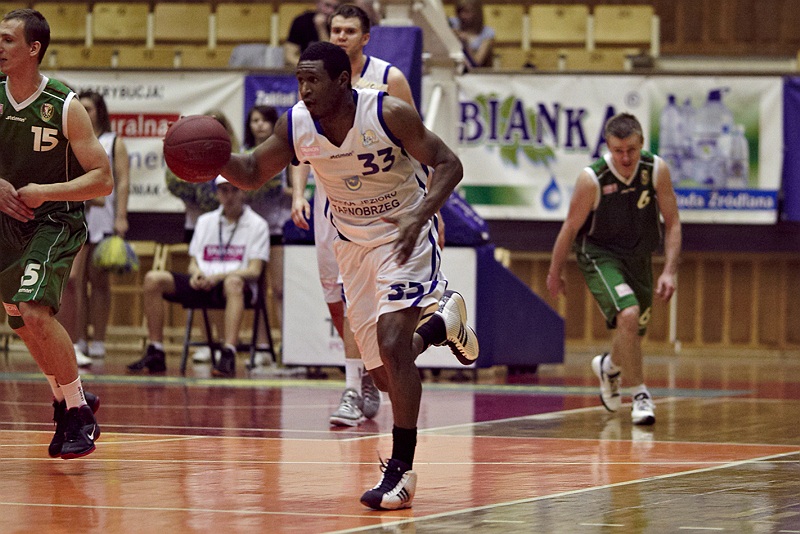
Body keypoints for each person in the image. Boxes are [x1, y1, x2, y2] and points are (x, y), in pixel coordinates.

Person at [220, 41, 479, 510]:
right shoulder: (296, 124)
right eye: (300, 80)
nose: (304, 89)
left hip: (403, 234)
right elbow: (253, 171)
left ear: (343, 81)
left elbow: (449, 164)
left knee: (393, 343)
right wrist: (212, 154)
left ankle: (401, 472)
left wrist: (420, 214)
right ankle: (441, 325)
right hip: (352, 246)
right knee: (383, 375)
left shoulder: (388, 113)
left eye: (313, 80)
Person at [291, 3, 419, 427]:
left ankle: (352, 386)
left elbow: (416, 144)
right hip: (331, 201)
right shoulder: (316, 81)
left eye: (349, 31)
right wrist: (298, 193)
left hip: (383, 203)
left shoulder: (389, 79)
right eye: (335, 30)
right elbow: (301, 142)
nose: (341, 36)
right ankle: (361, 368)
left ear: (365, 37)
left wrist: (426, 210)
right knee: (337, 298)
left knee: (365, 298)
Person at [0, 8, 112, 458]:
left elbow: (103, 179)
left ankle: (79, 411)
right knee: (20, 320)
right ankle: (65, 399)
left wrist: (43, 192)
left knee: (34, 309)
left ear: (34, 49)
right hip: (7, 224)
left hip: (55, 221)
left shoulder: (64, 105)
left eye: (8, 39)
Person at [546, 112, 682, 426]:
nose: (625, 158)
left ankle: (609, 367)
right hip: (599, 254)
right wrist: (555, 271)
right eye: (618, 151)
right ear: (608, 147)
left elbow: (673, 223)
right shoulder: (592, 179)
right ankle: (640, 395)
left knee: (631, 331)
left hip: (639, 256)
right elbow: (569, 228)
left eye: (631, 150)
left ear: (642, 143)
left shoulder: (656, 170)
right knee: (629, 314)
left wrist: (669, 270)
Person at [127, 176, 269, 378]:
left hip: (234, 286)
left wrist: (219, 277)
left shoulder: (257, 224)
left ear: (243, 192)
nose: (229, 196)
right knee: (153, 279)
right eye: (224, 190)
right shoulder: (205, 221)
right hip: (204, 282)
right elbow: (193, 262)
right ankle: (156, 350)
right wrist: (196, 274)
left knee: (233, 283)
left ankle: (228, 352)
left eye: (234, 190)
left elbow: (254, 271)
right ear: (217, 193)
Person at [56, 90, 130, 367]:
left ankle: (99, 339)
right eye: (81, 108)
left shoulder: (113, 142)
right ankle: (79, 339)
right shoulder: (71, 137)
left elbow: (123, 181)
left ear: (100, 111)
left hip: (102, 216)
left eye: (89, 108)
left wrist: (121, 216)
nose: (85, 112)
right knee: (75, 281)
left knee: (98, 280)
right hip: (77, 214)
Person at [242, 104, 291, 366]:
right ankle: (262, 345)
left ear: (274, 124)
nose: (259, 125)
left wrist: (275, 189)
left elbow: (299, 190)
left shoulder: (286, 154)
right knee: (257, 291)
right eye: (254, 120)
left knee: (280, 289)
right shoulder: (244, 155)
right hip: (251, 231)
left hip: (277, 228)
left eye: (264, 120)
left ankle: (288, 344)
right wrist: (248, 189)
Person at [283, 0, 341, 67]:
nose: (331, 11)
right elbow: (289, 56)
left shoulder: (339, 24)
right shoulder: (301, 21)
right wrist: (308, 66)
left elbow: (331, 57)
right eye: (327, 5)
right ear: (318, 3)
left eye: (335, 7)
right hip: (305, 67)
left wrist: (321, 28)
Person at [449, 0, 495, 68]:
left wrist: (466, 44)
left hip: (476, 72)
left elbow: (477, 62)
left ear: (477, 12)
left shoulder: (487, 32)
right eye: (460, 11)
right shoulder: (453, 23)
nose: (462, 15)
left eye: (467, 12)